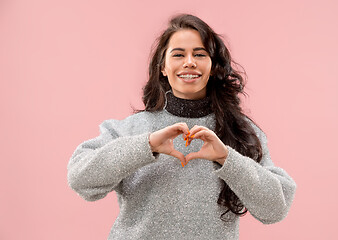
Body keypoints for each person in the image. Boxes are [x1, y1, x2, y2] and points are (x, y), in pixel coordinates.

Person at [67, 14, 296, 240]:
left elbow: (275, 209)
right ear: (163, 68)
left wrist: (227, 158)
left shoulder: (242, 132)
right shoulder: (130, 130)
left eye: (199, 54)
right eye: (178, 54)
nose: (189, 61)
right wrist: (146, 146)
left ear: (213, 67)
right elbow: (80, 179)